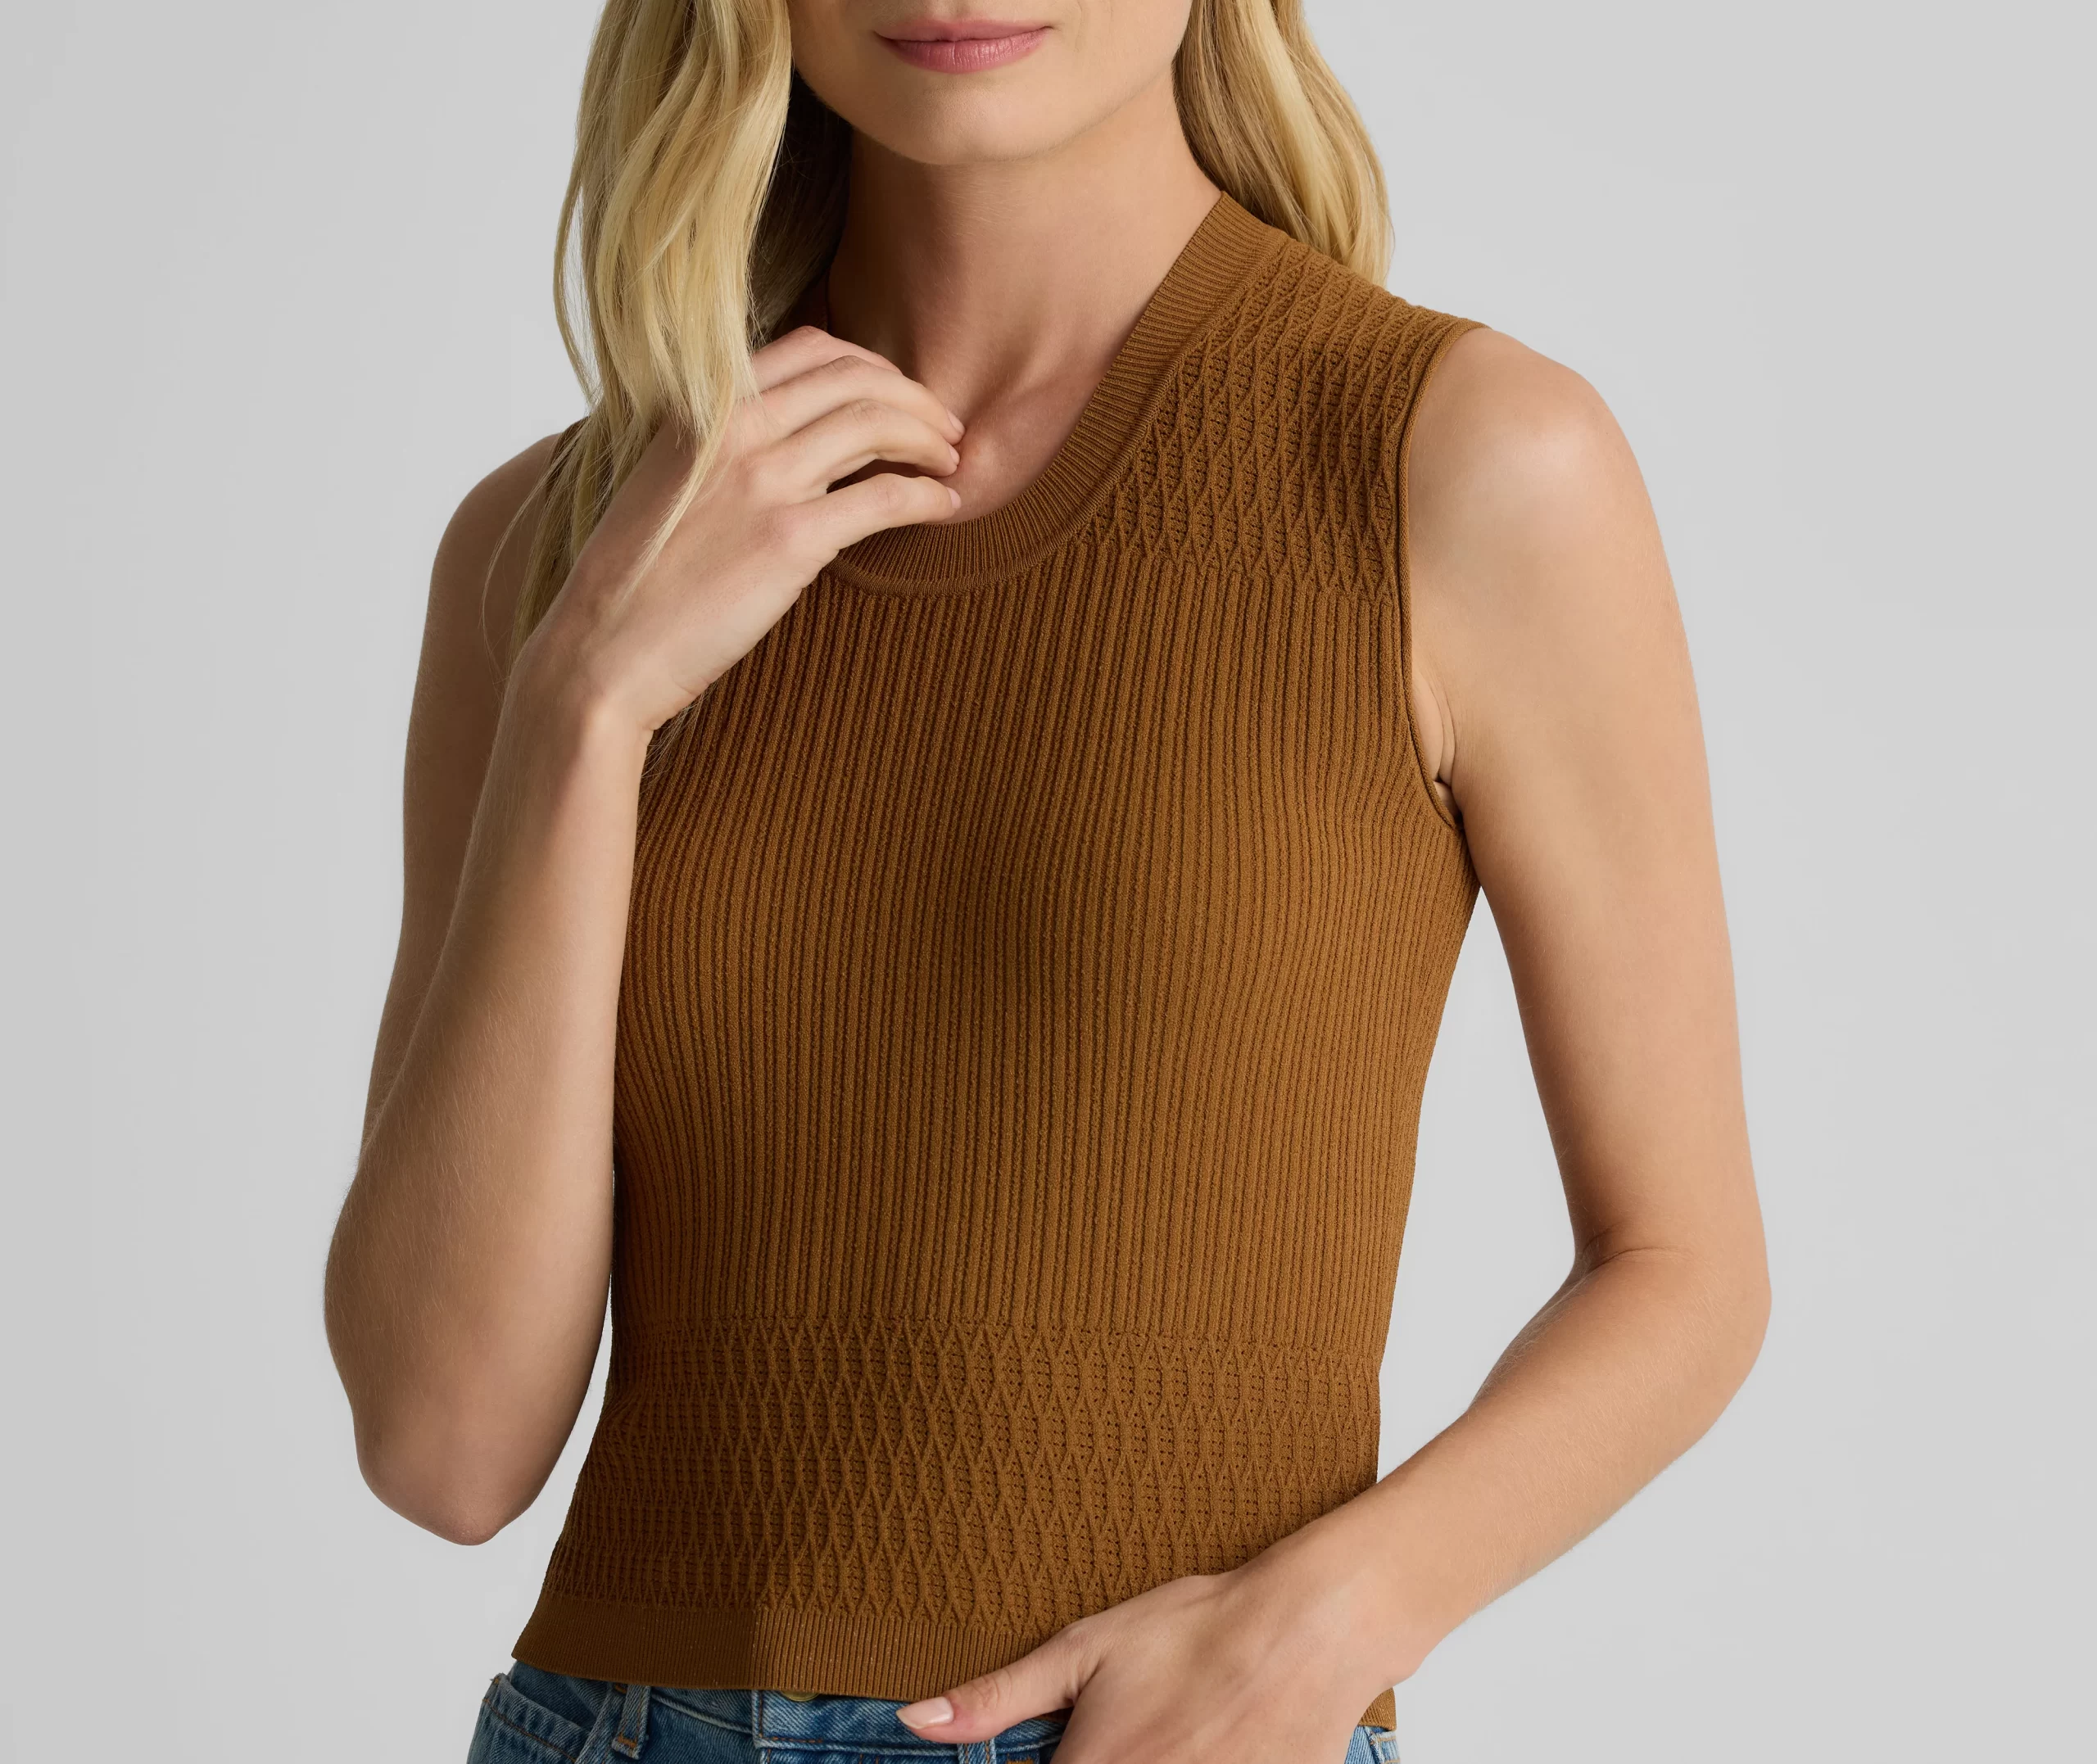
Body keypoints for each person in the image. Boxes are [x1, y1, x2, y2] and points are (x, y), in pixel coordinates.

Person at [323, 2, 1771, 1761]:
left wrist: (1322, 1627)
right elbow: (445, 1445)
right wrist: (588, 696)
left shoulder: (1454, 458)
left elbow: (1682, 1267)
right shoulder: (557, 550)